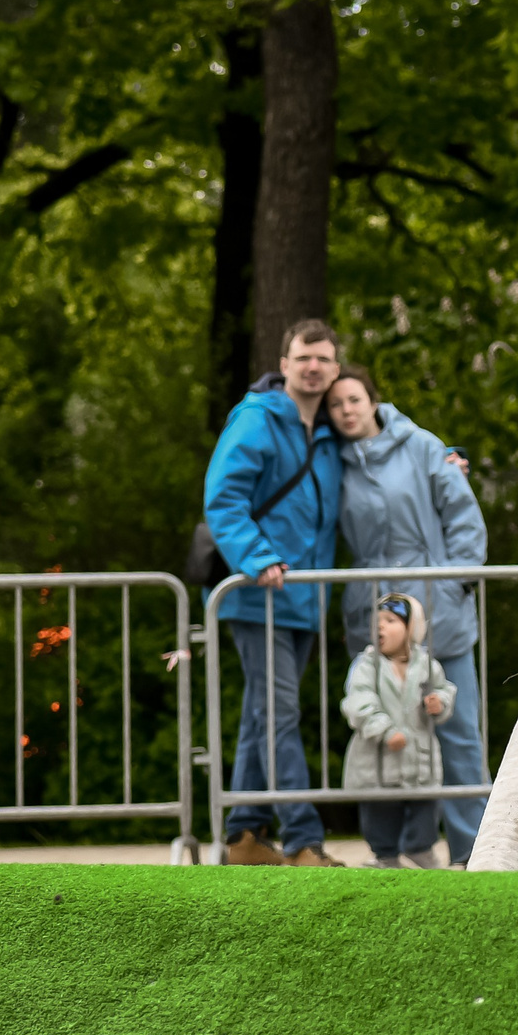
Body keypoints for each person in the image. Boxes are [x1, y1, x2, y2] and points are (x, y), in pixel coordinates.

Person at [327, 367, 489, 864]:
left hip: (439, 611)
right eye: (335, 405)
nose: (346, 410)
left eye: (354, 399)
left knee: (458, 730)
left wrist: (454, 582)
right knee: (387, 737)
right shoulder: (332, 461)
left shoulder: (421, 445)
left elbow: (463, 516)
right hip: (375, 616)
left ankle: (476, 851)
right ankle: (399, 852)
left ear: (374, 401)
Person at [203, 319, 346, 866]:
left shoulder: (331, 433)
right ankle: (305, 838)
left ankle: (242, 835)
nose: (313, 367)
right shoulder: (257, 420)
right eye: (303, 357)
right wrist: (258, 556)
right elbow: (223, 499)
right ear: (284, 364)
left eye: (323, 359)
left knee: (262, 715)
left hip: (304, 601)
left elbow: (386, 437)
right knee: (280, 715)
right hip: (256, 595)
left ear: (334, 369)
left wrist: (444, 459)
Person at [340, 595, 452, 869]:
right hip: (378, 760)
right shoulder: (366, 665)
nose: (381, 627)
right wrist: (385, 730)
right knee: (380, 810)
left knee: (425, 806)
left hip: (418, 758)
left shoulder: (427, 665)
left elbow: (445, 690)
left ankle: (420, 848)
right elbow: (358, 703)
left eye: (390, 621)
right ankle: (385, 855)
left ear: (411, 629)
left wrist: (440, 703)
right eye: (377, 621)